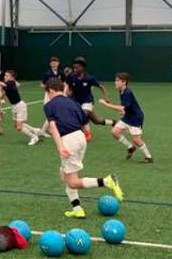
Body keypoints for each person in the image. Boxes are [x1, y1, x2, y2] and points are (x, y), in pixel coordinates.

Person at [44, 77, 124, 219]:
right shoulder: (73, 102)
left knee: (72, 182)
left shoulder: (49, 105)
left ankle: (107, 181)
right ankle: (77, 209)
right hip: (81, 138)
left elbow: (53, 127)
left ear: (50, 90)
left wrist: (60, 147)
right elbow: (84, 121)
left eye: (47, 93)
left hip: (68, 140)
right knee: (64, 174)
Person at [99, 73, 153, 163]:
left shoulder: (127, 92)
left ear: (124, 82)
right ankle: (130, 147)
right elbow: (124, 106)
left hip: (136, 118)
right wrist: (123, 112)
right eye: (115, 80)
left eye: (117, 81)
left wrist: (106, 104)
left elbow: (121, 107)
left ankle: (149, 157)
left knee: (136, 140)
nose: (115, 82)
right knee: (115, 132)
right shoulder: (121, 91)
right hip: (128, 116)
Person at [67, 57, 116, 139]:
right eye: (74, 68)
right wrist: (66, 95)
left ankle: (86, 133)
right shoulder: (72, 77)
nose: (74, 69)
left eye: (76, 68)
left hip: (87, 102)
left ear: (82, 68)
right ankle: (112, 122)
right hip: (76, 101)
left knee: (83, 115)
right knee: (96, 121)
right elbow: (69, 89)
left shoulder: (89, 78)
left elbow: (101, 86)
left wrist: (106, 98)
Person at [0, 70, 45, 145]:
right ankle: (36, 130)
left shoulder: (11, 82)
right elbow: (5, 91)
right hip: (14, 106)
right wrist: (1, 98)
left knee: (19, 127)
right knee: (16, 125)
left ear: (12, 78)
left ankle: (34, 137)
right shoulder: (7, 84)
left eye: (7, 76)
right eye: (5, 75)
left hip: (20, 106)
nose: (5, 77)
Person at [39, 56, 64, 132]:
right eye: (52, 63)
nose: (54, 64)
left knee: (56, 112)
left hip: (58, 95)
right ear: (50, 64)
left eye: (55, 63)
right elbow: (42, 85)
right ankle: (43, 130)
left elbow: (63, 83)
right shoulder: (48, 74)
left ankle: (48, 128)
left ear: (58, 63)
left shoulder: (61, 73)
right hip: (49, 95)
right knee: (50, 112)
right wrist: (49, 89)